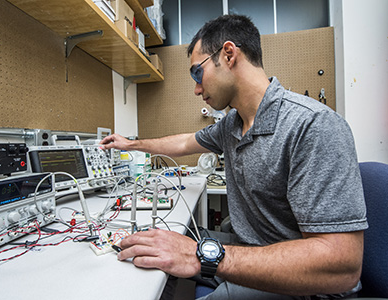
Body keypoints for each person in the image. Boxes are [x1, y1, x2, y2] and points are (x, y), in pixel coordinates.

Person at [100, 15, 368, 299]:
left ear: (228, 54)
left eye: (196, 73)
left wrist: (206, 256)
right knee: (161, 240)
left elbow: (342, 267)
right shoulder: (232, 125)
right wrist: (131, 144)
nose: (196, 89)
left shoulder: (312, 125)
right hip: (254, 248)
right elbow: (184, 143)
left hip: (305, 288)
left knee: (187, 251)